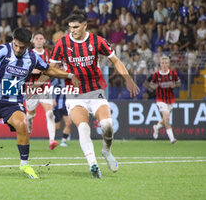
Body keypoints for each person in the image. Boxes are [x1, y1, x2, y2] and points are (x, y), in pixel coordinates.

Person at [0, 28, 80, 179]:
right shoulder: (4, 49)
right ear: (13, 40)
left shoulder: (33, 57)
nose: (17, 49)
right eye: (16, 45)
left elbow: (49, 70)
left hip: (13, 104)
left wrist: (70, 75)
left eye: (21, 47)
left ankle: (25, 165)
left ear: (28, 45)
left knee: (23, 124)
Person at [47, 10, 139, 178]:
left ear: (84, 25)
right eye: (70, 27)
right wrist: (67, 75)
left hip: (95, 90)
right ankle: (93, 164)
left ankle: (106, 151)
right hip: (74, 93)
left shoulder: (98, 41)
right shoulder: (62, 43)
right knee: (83, 127)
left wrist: (128, 79)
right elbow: (50, 68)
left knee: (107, 126)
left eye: (75, 27)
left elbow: (116, 60)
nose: (72, 30)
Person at [26, 32, 57, 149]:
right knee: (30, 113)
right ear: (33, 41)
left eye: (41, 38)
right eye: (36, 39)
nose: (39, 40)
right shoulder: (28, 54)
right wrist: (33, 71)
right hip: (31, 89)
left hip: (45, 88)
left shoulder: (49, 55)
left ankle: (52, 141)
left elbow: (51, 71)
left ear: (44, 41)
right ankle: (29, 120)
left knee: (50, 114)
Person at [150, 56, 181, 144]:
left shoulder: (173, 73)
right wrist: (154, 86)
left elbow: (179, 83)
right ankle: (172, 139)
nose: (164, 65)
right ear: (160, 64)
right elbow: (151, 84)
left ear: (168, 64)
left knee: (165, 119)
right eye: (162, 63)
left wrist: (174, 85)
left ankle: (156, 127)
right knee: (167, 117)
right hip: (160, 99)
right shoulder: (156, 75)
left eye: (166, 63)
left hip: (170, 100)